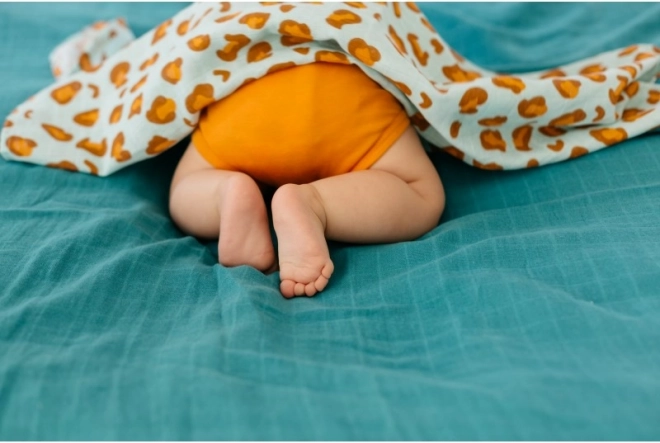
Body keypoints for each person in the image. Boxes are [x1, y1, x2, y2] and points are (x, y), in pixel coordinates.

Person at [169, 61, 445, 298]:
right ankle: (314, 204)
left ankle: (228, 192)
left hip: (241, 109)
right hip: (344, 99)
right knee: (419, 192)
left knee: (188, 183)